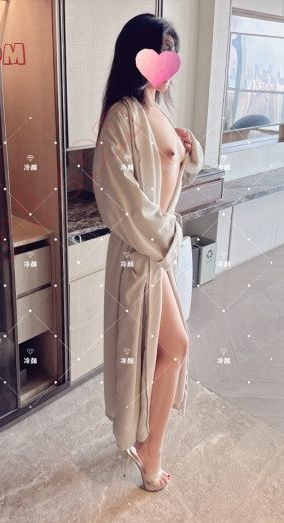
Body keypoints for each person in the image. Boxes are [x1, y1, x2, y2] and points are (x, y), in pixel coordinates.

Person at [92, 13, 203, 492]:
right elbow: (120, 198)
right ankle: (149, 453)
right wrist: (166, 237)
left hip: (158, 254)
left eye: (172, 52)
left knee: (168, 349)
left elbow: (166, 174)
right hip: (142, 254)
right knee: (174, 346)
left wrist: (187, 149)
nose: (168, 62)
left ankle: (146, 440)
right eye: (160, 51)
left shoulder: (156, 112)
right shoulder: (122, 116)